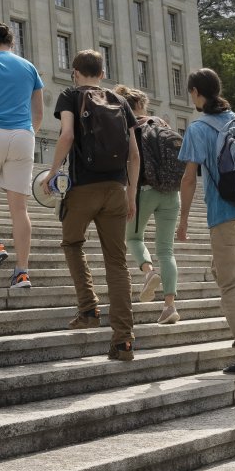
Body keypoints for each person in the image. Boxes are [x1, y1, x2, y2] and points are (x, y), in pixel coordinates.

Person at [47, 50, 139, 360]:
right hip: (116, 188)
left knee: (72, 242)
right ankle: (123, 339)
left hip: (84, 188)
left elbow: (68, 135)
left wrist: (53, 171)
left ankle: (88, 308)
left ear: (75, 72)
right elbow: (134, 154)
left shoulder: (70, 95)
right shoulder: (119, 100)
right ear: (102, 73)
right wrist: (131, 193)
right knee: (117, 262)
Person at [177, 68, 235, 375]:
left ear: (195, 93)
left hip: (224, 214)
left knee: (229, 283)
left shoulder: (198, 128)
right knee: (220, 270)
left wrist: (184, 219)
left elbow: (189, 179)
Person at [0, 23, 45, 290]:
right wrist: (27, 134)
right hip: (24, 135)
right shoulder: (29, 68)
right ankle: (22, 272)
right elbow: (38, 114)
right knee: (20, 209)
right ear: (12, 43)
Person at [115, 85, 181, 326]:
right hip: (172, 193)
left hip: (144, 191)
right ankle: (169, 306)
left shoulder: (129, 127)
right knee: (166, 250)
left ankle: (148, 271)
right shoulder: (164, 125)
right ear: (143, 105)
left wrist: (128, 197)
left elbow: (130, 162)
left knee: (132, 238)